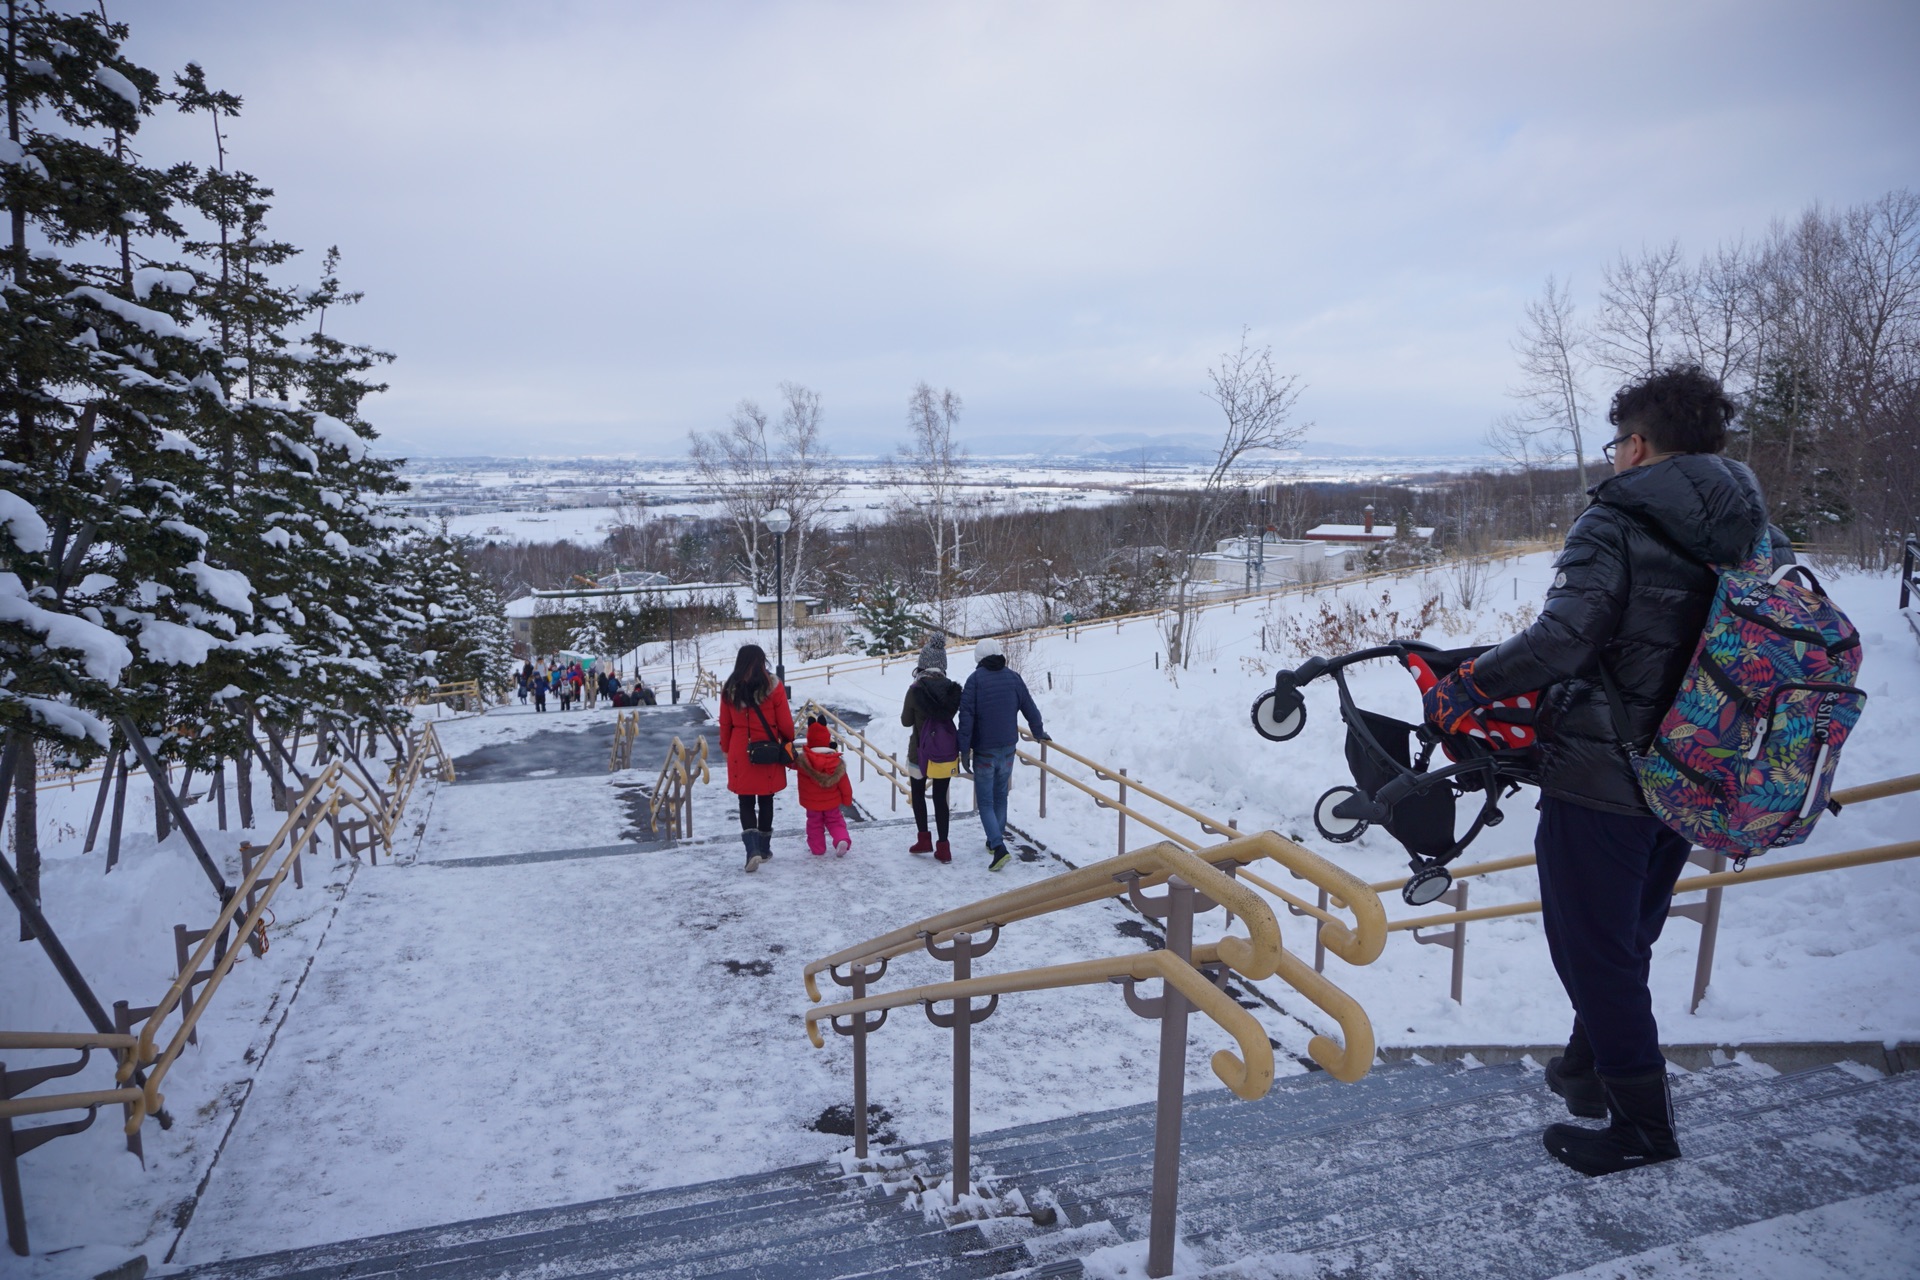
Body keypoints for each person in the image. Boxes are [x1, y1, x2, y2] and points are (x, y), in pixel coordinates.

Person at [1422, 365, 1773, 1178]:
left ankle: (1643, 1129)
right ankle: (1587, 1069)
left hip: (1605, 775)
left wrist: (1465, 686)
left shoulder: (1617, 517)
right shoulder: (1753, 528)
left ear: (1639, 444)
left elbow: (1567, 637)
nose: (1614, 455)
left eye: (1619, 441)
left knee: (1592, 949)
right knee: (1626, 937)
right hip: (1693, 765)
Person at [956, 636, 1049, 871]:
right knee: (1001, 796)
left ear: (978, 658)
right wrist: (1038, 732)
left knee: (985, 801)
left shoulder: (974, 680)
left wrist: (964, 750)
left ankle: (998, 847)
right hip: (1008, 748)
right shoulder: (1013, 678)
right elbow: (1029, 707)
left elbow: (966, 719)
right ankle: (993, 839)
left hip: (985, 750)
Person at [717, 643, 793, 873]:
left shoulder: (730, 688)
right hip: (768, 750)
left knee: (746, 801)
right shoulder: (773, 686)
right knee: (766, 799)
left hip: (741, 750)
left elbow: (725, 724)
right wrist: (788, 740)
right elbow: (785, 722)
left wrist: (726, 747)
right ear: (762, 661)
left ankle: (752, 851)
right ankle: (764, 848)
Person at [901, 635, 963, 863]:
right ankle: (944, 847)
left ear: (923, 663)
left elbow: (906, 721)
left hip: (919, 751)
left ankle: (923, 839)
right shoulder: (952, 691)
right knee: (940, 798)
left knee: (918, 793)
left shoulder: (915, 689)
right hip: (944, 753)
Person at [794, 718, 855, 857]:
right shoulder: (836, 762)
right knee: (835, 821)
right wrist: (847, 800)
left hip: (812, 803)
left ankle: (817, 849)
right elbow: (845, 783)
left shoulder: (803, 761)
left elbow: (789, 763)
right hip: (831, 803)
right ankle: (841, 839)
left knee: (814, 824)